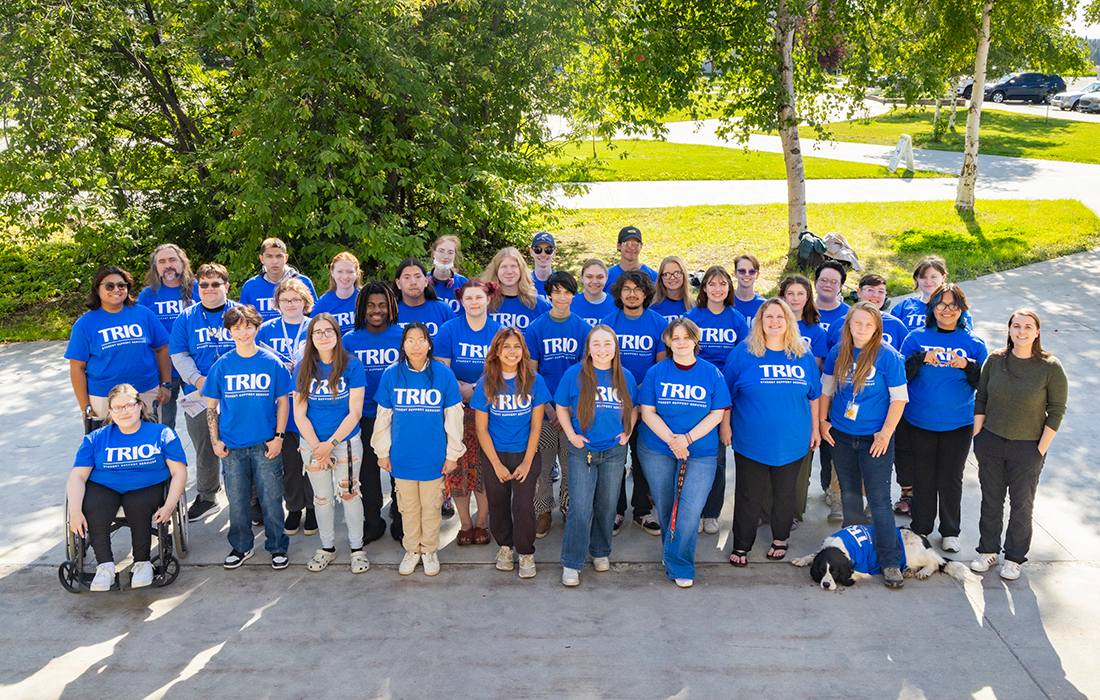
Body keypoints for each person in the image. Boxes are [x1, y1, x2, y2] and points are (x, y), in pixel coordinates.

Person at [970, 309, 1067, 581]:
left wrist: (1040, 449)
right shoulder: (995, 360)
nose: (1021, 331)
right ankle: (987, 551)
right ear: (1009, 330)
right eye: (1016, 326)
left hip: (1028, 448)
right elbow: (982, 398)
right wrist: (979, 437)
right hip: (991, 441)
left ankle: (1014, 558)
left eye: (1027, 326)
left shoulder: (1050, 367)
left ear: (1037, 332)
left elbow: (1057, 410)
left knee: (1022, 505)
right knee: (991, 500)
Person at [724, 300, 821, 566]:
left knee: (785, 493)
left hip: (793, 440)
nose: (775, 321)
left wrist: (815, 429)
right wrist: (725, 426)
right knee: (748, 494)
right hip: (751, 441)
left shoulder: (803, 354)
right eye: (769, 316)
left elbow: (814, 396)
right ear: (760, 321)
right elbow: (725, 394)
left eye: (781, 316)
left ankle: (780, 538)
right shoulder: (743, 353)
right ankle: (742, 544)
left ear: (789, 320)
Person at [820, 301, 909, 588]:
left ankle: (890, 561)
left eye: (868, 324)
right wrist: (823, 422)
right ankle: (852, 554)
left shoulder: (888, 356)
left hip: (875, 439)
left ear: (877, 328)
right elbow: (826, 391)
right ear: (848, 325)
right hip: (842, 435)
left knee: (880, 500)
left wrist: (885, 434)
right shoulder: (838, 353)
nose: (862, 328)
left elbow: (899, 399)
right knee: (849, 495)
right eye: (857, 323)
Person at [637, 318, 731, 588]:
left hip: (700, 450)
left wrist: (687, 438)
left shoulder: (712, 373)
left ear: (695, 341)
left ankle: (679, 563)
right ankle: (674, 552)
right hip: (657, 447)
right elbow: (647, 412)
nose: (680, 342)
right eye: (675, 337)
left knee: (690, 509)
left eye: (686, 337)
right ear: (668, 341)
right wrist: (672, 440)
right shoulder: (656, 372)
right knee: (666, 504)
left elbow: (717, 413)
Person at [68, 383, 188, 591]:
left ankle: (142, 563)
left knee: (137, 503)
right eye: (117, 407)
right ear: (110, 411)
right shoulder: (95, 439)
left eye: (129, 405)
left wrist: (169, 505)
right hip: (105, 485)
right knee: (94, 503)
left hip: (147, 484)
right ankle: (104, 566)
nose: (124, 411)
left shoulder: (162, 433)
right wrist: (75, 511)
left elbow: (179, 472)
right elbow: (78, 476)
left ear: (140, 406)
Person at [897, 284, 987, 555]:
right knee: (923, 475)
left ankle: (950, 531)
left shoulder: (974, 342)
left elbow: (983, 383)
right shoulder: (916, 337)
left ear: (962, 310)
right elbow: (901, 376)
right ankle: (921, 526)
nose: (947, 310)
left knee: (951, 477)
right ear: (932, 308)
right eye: (941, 304)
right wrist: (921, 358)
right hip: (919, 421)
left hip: (957, 423)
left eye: (953, 305)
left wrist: (967, 365)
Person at [371, 322, 466, 577]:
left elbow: (454, 418)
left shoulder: (443, 374)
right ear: (403, 345)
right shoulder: (392, 374)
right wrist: (382, 451)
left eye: (421, 339)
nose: (415, 345)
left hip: (433, 458)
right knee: (408, 507)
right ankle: (412, 549)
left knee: (432, 506)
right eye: (410, 340)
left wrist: (452, 454)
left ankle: (430, 550)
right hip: (402, 457)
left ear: (429, 344)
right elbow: (383, 417)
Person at [202, 305, 292, 570]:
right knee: (238, 500)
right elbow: (211, 406)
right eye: (237, 328)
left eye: (248, 327)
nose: (243, 333)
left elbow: (283, 402)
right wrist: (215, 440)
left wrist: (279, 437)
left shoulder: (270, 362)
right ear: (229, 332)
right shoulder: (222, 365)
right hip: (232, 446)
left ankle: (277, 546)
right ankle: (241, 546)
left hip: (265, 443)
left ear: (256, 328)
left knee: (272, 498)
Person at [555, 326, 638, 587]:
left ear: (615, 347)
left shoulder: (625, 376)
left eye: (608, 344)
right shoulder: (574, 375)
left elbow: (633, 407)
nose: (602, 349)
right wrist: (571, 435)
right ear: (588, 348)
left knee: (607, 505)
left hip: (614, 451)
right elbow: (561, 406)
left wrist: (627, 432)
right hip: (583, 450)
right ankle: (572, 562)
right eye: (596, 344)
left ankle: (600, 551)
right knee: (580, 507)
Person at [472, 328, 552, 579]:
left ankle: (526, 552)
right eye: (506, 346)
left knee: (523, 505)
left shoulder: (534, 380)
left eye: (517, 346)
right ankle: (505, 548)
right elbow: (481, 428)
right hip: (495, 454)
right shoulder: (486, 382)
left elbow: (537, 425)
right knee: (497, 504)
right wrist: (495, 463)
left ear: (523, 351)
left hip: (524, 453)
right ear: (496, 351)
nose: (511, 352)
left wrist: (528, 462)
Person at [293, 313, 369, 574]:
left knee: (349, 494)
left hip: (345, 442)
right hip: (312, 444)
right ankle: (327, 548)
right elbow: (299, 413)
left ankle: (357, 549)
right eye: (318, 332)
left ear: (337, 335)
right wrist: (317, 446)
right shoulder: (302, 368)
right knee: (322, 498)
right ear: (311, 338)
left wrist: (331, 443)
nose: (323, 336)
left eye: (329, 331)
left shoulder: (352, 366)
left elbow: (355, 412)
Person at [435, 281, 504, 545]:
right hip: (457, 410)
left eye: (479, 297)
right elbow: (442, 370)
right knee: (460, 467)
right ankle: (464, 524)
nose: (474, 302)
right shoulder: (449, 330)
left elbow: (504, 368)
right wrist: (464, 391)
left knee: (485, 469)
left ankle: (482, 522)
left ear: (489, 299)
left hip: (491, 409)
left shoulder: (499, 332)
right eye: (468, 298)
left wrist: (475, 388)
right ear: (461, 301)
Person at [170, 263, 238, 521]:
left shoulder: (240, 313)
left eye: (216, 284)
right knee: (205, 444)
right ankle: (207, 496)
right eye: (204, 285)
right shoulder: (186, 318)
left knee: (241, 444)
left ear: (226, 286)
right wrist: (198, 380)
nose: (209, 289)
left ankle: (251, 498)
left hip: (237, 391)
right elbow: (179, 354)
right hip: (198, 393)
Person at [602, 270, 667, 536]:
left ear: (646, 293)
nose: (632, 293)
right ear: (619, 293)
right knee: (616, 458)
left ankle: (642, 511)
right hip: (614, 402)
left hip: (647, 404)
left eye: (637, 289)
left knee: (643, 459)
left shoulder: (658, 322)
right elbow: (602, 361)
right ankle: (616, 510)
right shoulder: (608, 324)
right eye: (626, 288)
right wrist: (623, 393)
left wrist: (641, 396)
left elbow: (661, 363)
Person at [684, 265, 748, 535]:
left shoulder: (737, 319)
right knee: (691, 455)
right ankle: (692, 510)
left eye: (723, 283)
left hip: (723, 395)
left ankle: (711, 512)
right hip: (694, 393)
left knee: (717, 457)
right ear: (704, 288)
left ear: (729, 288)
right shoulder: (692, 317)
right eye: (712, 283)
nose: (717, 288)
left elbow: (744, 355)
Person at [525, 271, 589, 537]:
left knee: (571, 462)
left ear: (574, 295)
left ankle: (567, 507)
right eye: (557, 292)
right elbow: (531, 373)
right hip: (545, 408)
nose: (562, 297)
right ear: (548, 295)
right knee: (542, 464)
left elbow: (587, 371)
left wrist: (570, 408)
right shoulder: (536, 327)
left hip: (573, 410)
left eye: (567, 292)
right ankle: (542, 510)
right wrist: (550, 407)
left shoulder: (583, 327)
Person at [66, 266, 172, 425]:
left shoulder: (144, 314)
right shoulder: (85, 324)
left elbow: (163, 348)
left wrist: (166, 384)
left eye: (121, 285)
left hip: (146, 392)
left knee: (149, 444)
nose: (116, 289)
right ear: (97, 289)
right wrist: (85, 408)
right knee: (110, 447)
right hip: (104, 398)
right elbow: (77, 368)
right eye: (109, 286)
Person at [343, 281, 404, 543]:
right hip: (365, 414)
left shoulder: (402, 335)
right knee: (367, 471)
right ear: (361, 308)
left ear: (391, 307)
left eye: (381, 305)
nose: (376, 310)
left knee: (399, 469)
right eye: (370, 305)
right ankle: (373, 521)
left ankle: (401, 519)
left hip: (399, 414)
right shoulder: (349, 340)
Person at [256, 278, 317, 537]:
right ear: (277, 303)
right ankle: (294, 508)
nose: (290, 304)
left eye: (295, 299)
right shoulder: (267, 330)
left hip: (311, 406)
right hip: (281, 409)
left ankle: (314, 507)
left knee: (313, 462)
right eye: (285, 300)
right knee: (290, 464)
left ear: (305, 302)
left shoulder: (315, 327)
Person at [779, 274, 832, 523]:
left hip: (802, 402)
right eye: (791, 293)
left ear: (808, 297)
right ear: (783, 297)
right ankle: (766, 511)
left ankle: (793, 511)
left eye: (801, 293)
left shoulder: (816, 331)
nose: (796, 298)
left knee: (800, 462)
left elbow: (817, 373)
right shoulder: (774, 323)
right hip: (774, 397)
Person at [137, 244, 197, 430]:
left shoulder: (199, 288)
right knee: (162, 425)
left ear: (182, 262)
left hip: (195, 368)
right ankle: (165, 459)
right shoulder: (147, 295)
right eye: (162, 261)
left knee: (200, 424)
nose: (168, 265)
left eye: (172, 260)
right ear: (155, 267)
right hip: (163, 371)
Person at [239, 238, 318, 321]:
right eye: (269, 256)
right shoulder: (250, 286)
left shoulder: (304, 282)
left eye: (279, 256)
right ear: (262, 259)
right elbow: (243, 320)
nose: (275, 261)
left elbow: (314, 317)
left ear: (286, 258)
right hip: (263, 334)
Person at [825, 274, 909, 353]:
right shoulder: (839, 324)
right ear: (859, 293)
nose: (876, 295)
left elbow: (906, 357)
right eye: (870, 290)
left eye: (881, 291)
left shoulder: (895, 325)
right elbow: (827, 360)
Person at [891, 255, 973, 334]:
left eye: (933, 277)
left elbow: (967, 339)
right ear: (917, 278)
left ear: (943, 277)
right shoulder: (904, 306)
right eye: (923, 277)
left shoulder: (956, 307)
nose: (928, 281)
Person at [481, 247, 551, 329]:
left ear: (521, 270)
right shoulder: (484, 303)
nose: (509, 271)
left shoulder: (538, 304)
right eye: (503, 266)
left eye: (514, 266)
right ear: (496, 271)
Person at [394, 257, 455, 337]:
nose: (413, 282)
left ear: (426, 281)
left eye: (418, 276)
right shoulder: (391, 312)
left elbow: (457, 340)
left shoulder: (443, 310)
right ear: (398, 283)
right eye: (407, 277)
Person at [313, 252, 362, 335]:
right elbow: (312, 331)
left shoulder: (366, 298)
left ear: (357, 273)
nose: (345, 276)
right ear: (332, 273)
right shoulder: (323, 302)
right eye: (339, 271)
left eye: (350, 272)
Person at [605, 225, 658, 290]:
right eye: (627, 243)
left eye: (636, 244)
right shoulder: (607, 277)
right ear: (619, 246)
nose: (632, 247)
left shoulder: (654, 277)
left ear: (641, 246)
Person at [427, 235, 469, 314]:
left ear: (454, 256)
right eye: (441, 251)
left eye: (450, 252)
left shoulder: (464, 284)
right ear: (434, 253)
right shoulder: (422, 282)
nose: (445, 256)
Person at [650, 256, 696, 323]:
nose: (672, 278)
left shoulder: (694, 306)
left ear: (684, 275)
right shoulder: (653, 308)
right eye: (667, 274)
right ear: (661, 278)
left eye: (677, 273)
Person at [571, 259, 616, 327]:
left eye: (600, 277)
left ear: (606, 278)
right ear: (582, 278)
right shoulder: (571, 305)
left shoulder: (616, 305)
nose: (594, 281)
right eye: (589, 277)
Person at [814, 261, 850, 332]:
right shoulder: (801, 310)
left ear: (840, 287)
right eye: (823, 280)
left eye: (834, 282)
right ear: (816, 283)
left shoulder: (850, 314)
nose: (828, 285)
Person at [732, 254, 766, 324]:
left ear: (757, 275)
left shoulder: (764, 305)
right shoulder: (725, 302)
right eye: (742, 271)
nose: (747, 275)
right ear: (735, 273)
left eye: (752, 272)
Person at [529, 231, 557, 302]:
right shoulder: (523, 282)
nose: (543, 254)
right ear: (531, 252)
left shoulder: (564, 281)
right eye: (538, 250)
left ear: (554, 252)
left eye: (548, 250)